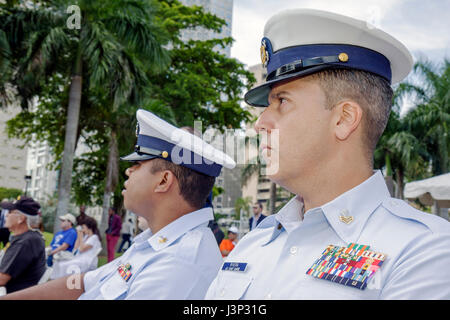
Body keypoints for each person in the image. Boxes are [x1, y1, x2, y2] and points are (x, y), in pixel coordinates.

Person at [206, 9, 450, 300]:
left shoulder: (423, 251)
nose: (261, 123)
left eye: (282, 101)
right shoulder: (254, 244)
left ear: (344, 119)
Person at [1, 108, 235, 300]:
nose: (128, 170)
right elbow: (83, 282)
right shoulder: (153, 244)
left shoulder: (177, 266)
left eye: (139, 163)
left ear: (164, 181)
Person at [0, 197, 45, 293]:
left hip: (11, 294)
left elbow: (1, 279)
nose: (7, 215)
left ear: (21, 218)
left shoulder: (25, 242)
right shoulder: (31, 237)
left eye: (10, 212)